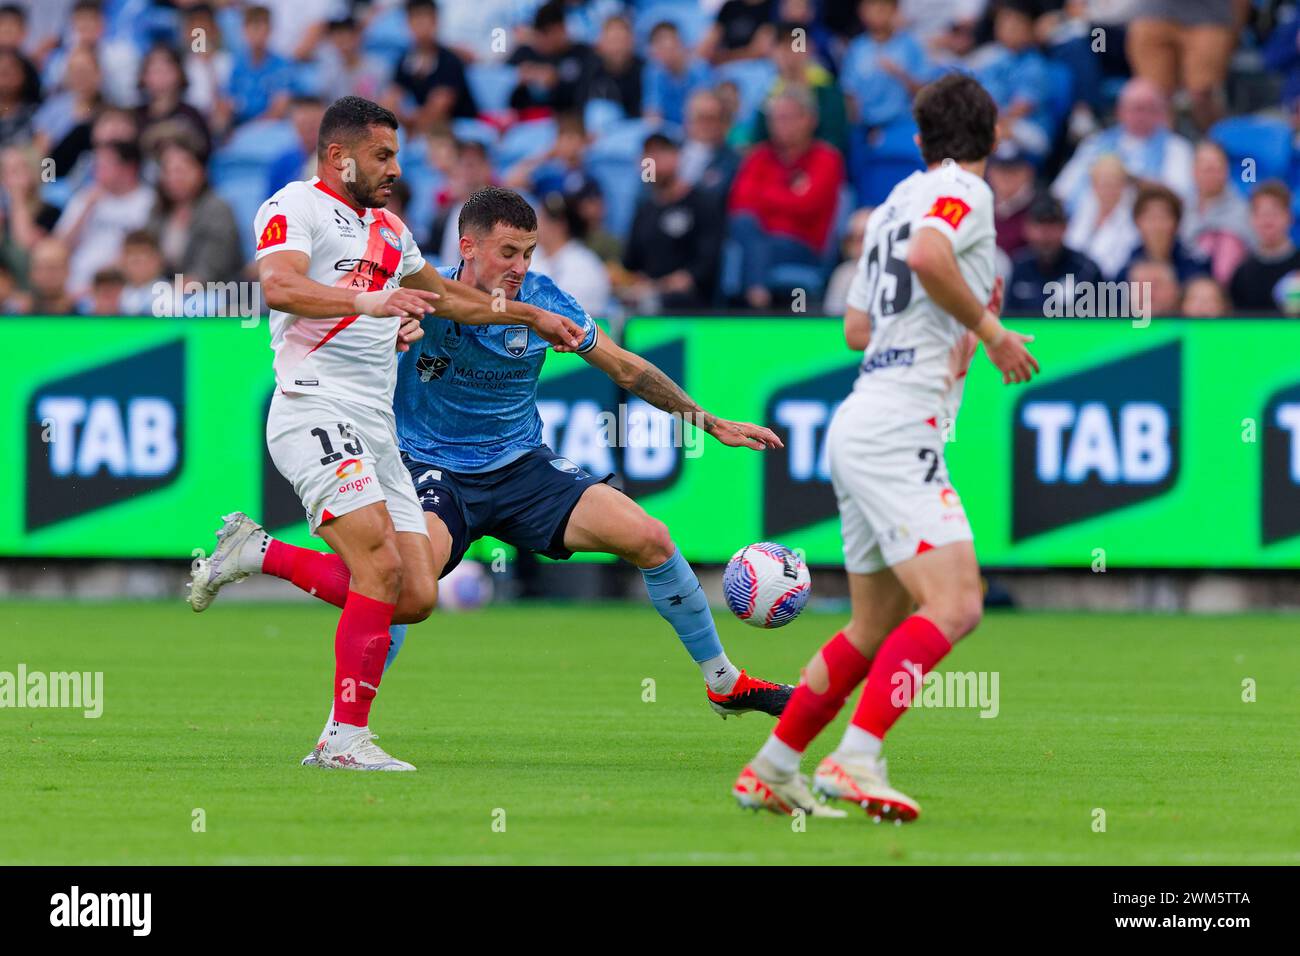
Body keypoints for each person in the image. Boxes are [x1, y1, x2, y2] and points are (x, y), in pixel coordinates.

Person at [185, 97, 586, 773]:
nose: (395, 168)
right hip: (312, 405)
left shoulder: (393, 232)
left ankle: (259, 552)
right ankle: (343, 740)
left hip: (376, 425)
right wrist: (366, 301)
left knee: (415, 592)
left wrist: (527, 315)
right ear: (340, 156)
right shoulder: (295, 206)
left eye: (396, 155)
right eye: (382, 155)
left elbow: (447, 298)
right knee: (376, 563)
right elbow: (278, 286)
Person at [733, 72, 1039, 821]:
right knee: (959, 602)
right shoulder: (966, 193)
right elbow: (933, 259)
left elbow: (858, 330)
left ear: (917, 139)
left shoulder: (891, 203)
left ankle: (773, 767)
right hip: (899, 426)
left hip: (862, 413)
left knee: (872, 627)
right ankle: (857, 756)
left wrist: (955, 332)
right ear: (993, 137)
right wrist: (991, 332)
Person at [726, 86, 845, 308]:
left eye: (787, 118)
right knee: (740, 225)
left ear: (809, 119)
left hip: (803, 245)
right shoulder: (758, 156)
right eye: (775, 119)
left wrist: (763, 195)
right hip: (758, 239)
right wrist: (788, 195)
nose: (780, 125)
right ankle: (756, 293)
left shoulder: (826, 158)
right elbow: (739, 202)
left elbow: (807, 206)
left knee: (751, 245)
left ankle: (754, 301)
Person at [1051, 78, 1194, 214]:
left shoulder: (1177, 148)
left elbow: (1180, 197)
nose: (1141, 116)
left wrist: (1130, 180)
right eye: (1135, 108)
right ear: (1120, 111)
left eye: (1148, 109)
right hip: (1086, 226)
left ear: (1161, 113)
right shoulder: (1094, 143)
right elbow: (1062, 192)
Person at [620, 132, 722, 311]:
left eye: (658, 154)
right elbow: (631, 263)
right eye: (647, 156)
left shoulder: (702, 204)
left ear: (676, 157)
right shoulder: (645, 209)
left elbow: (705, 265)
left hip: (691, 302)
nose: (650, 162)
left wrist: (659, 287)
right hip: (647, 296)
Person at [147, 139, 244, 286]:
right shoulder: (158, 211)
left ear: (201, 171)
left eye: (181, 171)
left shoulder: (217, 209)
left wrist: (179, 286)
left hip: (218, 292)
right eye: (169, 171)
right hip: (167, 293)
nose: (175, 178)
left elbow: (213, 265)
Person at [1005, 192, 1103, 316]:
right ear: (1027, 228)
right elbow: (1009, 318)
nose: (1045, 235)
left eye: (1052, 225)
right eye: (1039, 225)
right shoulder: (1018, 266)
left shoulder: (1086, 270)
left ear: (1065, 228)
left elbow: (1102, 323)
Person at [840, 0, 928, 131]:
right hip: (865, 127)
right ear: (862, 12)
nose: (877, 12)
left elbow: (924, 92)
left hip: (903, 124)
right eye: (871, 6)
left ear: (895, 10)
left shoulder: (910, 45)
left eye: (883, 7)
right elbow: (849, 94)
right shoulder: (856, 48)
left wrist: (900, 74)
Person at [391, 0, 478, 130]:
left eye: (424, 20)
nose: (420, 27)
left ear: (436, 22)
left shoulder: (450, 61)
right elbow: (390, 101)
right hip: (421, 128)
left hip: (457, 128)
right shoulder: (405, 60)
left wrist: (405, 119)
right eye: (415, 20)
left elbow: (437, 111)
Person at [1181, 140, 1252, 286]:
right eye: (1205, 169)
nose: (1210, 175)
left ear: (1226, 171)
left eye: (1215, 169)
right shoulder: (1180, 208)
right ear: (1193, 171)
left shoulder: (1244, 212)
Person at [531, 190, 611, 316]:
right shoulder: (530, 256)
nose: (536, 225)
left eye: (542, 219)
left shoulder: (586, 264)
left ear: (560, 225)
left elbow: (582, 316)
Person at [1229, 180, 1300, 314]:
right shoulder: (1242, 272)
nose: (1268, 220)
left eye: (1275, 213)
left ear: (1289, 217)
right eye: (1261, 213)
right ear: (1251, 219)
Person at [1119, 182, 1210, 283]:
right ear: (1137, 222)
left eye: (1163, 217)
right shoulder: (1127, 269)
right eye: (1150, 218)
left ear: (1176, 223)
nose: (1157, 226)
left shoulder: (1195, 266)